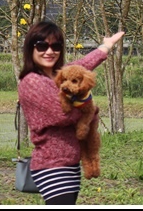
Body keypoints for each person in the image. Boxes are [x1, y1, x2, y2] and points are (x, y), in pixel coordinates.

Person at [18, 20, 124, 205]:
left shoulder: (55, 75)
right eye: (42, 45)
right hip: (52, 164)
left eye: (56, 46)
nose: (49, 51)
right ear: (30, 48)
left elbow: (82, 65)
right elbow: (62, 114)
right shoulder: (32, 82)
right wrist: (90, 111)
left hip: (69, 161)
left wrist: (106, 46)